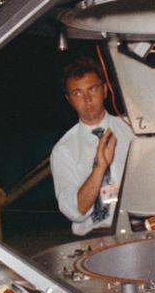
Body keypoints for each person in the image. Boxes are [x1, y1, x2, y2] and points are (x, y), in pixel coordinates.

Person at [51, 56, 135, 236]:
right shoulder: (63, 149)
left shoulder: (132, 130)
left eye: (92, 89)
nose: (87, 99)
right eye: (78, 93)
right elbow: (74, 211)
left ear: (104, 90)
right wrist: (99, 168)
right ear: (69, 99)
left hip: (137, 230)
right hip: (94, 236)